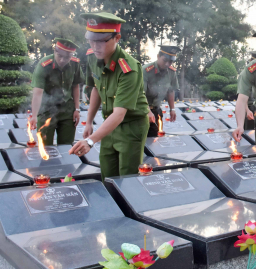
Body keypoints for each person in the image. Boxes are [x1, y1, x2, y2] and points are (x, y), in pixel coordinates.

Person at [69, 12, 149, 181]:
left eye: (101, 41)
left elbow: (120, 114)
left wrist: (90, 141)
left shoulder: (129, 68)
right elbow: (97, 88)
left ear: (117, 38)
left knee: (128, 177)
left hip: (131, 126)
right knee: (107, 173)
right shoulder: (93, 58)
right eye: (91, 40)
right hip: (108, 123)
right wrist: (89, 122)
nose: (95, 46)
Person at [30, 38, 83, 145]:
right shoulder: (44, 65)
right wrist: (34, 115)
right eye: (60, 56)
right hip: (47, 109)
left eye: (67, 57)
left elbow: (75, 86)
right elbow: (38, 92)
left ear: (72, 55)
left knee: (66, 146)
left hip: (67, 109)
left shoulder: (75, 64)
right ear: (55, 51)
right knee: (44, 146)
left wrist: (77, 109)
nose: (63, 60)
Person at [143, 45, 179, 137]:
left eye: (170, 61)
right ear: (158, 56)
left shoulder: (172, 72)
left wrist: (172, 109)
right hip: (142, 111)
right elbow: (140, 93)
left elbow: (171, 91)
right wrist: (148, 111)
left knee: (155, 140)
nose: (167, 64)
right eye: (165, 60)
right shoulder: (146, 71)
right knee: (140, 142)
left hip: (156, 110)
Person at [244, 49, 256, 131]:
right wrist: (247, 110)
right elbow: (242, 95)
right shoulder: (246, 75)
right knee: (249, 134)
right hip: (250, 108)